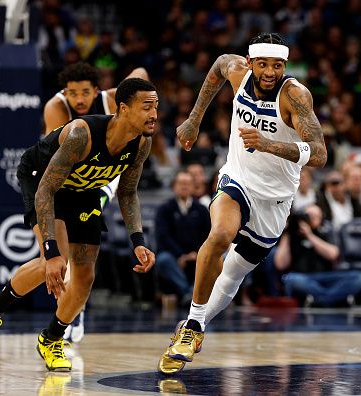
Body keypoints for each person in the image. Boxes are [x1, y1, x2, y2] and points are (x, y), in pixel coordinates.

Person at [157, 32, 327, 374]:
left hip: (276, 199)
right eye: (262, 64)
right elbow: (218, 66)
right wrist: (194, 118)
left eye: (277, 65)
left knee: (234, 272)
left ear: (284, 65)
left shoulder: (295, 96)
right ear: (250, 63)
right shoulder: (237, 71)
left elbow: (320, 154)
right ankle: (191, 326)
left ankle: (198, 327)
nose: (269, 71)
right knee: (219, 235)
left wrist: (269, 144)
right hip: (237, 178)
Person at [0, 78, 158, 371]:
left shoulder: (142, 143)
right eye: (147, 107)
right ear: (123, 108)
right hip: (42, 181)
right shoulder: (83, 133)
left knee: (84, 277)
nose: (154, 114)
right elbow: (46, 190)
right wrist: (51, 249)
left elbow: (127, 192)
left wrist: (138, 240)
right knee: (53, 263)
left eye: (156, 106)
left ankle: (52, 338)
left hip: (83, 189)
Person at [43, 62, 149, 342]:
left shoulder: (115, 99)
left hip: (102, 176)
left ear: (97, 91)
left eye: (85, 93)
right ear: (65, 92)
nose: (79, 100)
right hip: (65, 178)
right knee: (58, 257)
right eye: (73, 93)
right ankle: (67, 312)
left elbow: (139, 72)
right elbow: (60, 161)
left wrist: (135, 88)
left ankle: (73, 314)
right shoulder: (56, 108)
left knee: (84, 256)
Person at [273, 204, 361, 307]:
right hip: (303, 278)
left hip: (327, 276)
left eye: (316, 216)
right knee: (291, 279)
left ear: (321, 218)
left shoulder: (326, 231)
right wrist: (287, 233)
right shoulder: (293, 234)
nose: (312, 219)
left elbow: (333, 254)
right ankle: (332, 299)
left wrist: (310, 236)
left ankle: (319, 300)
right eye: (309, 215)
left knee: (359, 277)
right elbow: (280, 264)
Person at [155, 171, 211, 306]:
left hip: (197, 254)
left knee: (215, 260)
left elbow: (208, 236)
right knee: (163, 260)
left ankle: (189, 294)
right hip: (174, 255)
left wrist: (196, 253)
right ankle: (190, 294)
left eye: (187, 184)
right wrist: (181, 255)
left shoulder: (202, 209)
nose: (184, 187)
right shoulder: (165, 209)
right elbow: (163, 236)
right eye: (181, 183)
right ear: (174, 186)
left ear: (193, 187)